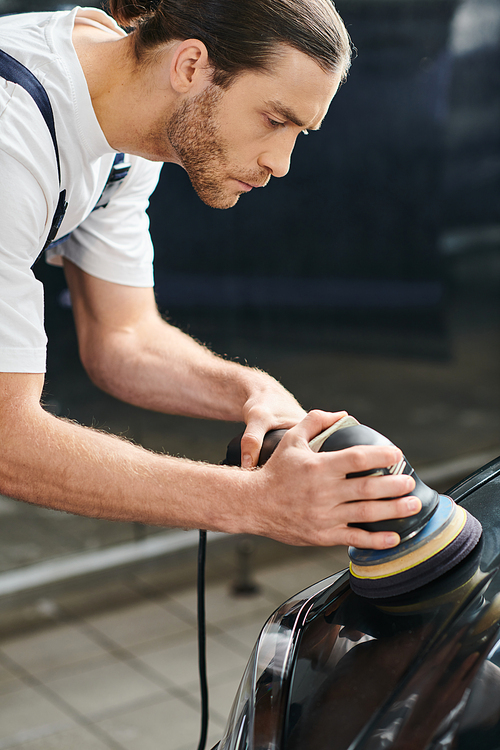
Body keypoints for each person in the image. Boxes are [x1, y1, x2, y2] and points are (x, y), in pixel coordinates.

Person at [0, 0, 420, 549]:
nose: (282, 163)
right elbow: (7, 436)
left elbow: (122, 337)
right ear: (191, 66)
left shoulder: (131, 123)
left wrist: (248, 389)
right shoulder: (14, 130)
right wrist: (257, 502)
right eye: (274, 120)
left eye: (300, 132)